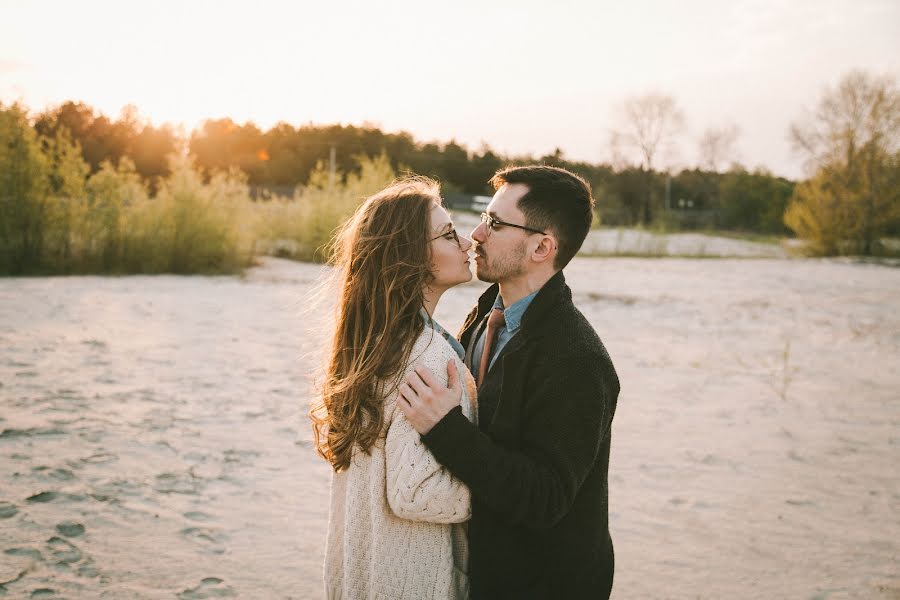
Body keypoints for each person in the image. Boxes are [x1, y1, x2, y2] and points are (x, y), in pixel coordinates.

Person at [397, 165, 620, 599]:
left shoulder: (578, 359)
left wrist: (445, 430)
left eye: (495, 223)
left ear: (541, 247)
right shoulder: (484, 316)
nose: (476, 234)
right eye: (484, 217)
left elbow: (545, 497)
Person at [310, 177, 479, 599]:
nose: (467, 243)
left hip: (363, 573)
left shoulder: (371, 344)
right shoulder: (425, 356)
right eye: (447, 234)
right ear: (409, 259)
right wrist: (502, 488)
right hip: (410, 580)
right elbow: (416, 493)